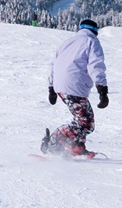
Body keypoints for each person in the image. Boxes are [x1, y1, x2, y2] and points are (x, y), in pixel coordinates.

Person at [43, 19, 109, 158]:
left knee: (82, 118)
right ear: (95, 32)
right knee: (86, 123)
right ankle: (52, 143)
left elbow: (53, 64)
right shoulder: (92, 42)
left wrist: (51, 88)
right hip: (74, 86)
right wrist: (102, 90)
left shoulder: (67, 42)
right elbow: (96, 66)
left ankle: (76, 145)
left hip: (60, 85)